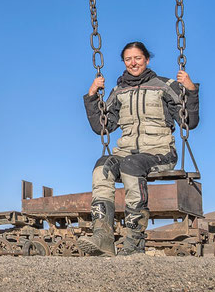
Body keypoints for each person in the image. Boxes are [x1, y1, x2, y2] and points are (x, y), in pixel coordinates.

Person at [77, 41, 199, 256]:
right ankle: (103, 236)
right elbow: (102, 127)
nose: (133, 63)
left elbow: (189, 122)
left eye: (137, 58)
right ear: (124, 62)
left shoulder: (164, 85)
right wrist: (92, 96)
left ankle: (134, 241)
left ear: (147, 60)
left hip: (159, 151)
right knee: (101, 167)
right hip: (126, 152)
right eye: (128, 59)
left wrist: (190, 89)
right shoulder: (119, 91)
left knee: (131, 166)